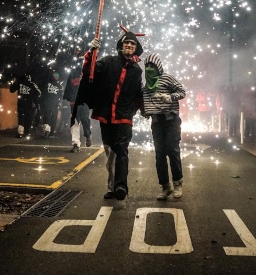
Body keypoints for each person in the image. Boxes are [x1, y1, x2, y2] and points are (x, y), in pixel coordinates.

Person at [74, 27, 144, 201]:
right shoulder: (108, 62)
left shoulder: (137, 71)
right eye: (126, 43)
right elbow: (89, 72)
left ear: (136, 48)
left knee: (121, 150)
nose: (129, 45)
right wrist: (91, 52)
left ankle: (121, 186)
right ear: (121, 45)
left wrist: (138, 110)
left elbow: (137, 94)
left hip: (124, 117)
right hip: (105, 114)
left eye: (132, 43)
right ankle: (112, 187)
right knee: (110, 152)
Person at [141, 53, 186, 200]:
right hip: (156, 122)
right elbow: (143, 100)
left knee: (173, 150)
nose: (149, 68)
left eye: (152, 66)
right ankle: (165, 186)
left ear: (158, 66)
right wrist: (145, 111)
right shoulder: (146, 84)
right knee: (160, 154)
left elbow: (182, 92)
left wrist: (170, 97)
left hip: (171, 120)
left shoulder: (167, 78)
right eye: (147, 66)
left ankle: (178, 183)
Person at [63, 65, 92, 152]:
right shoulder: (73, 73)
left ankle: (87, 134)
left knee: (84, 119)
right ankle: (76, 143)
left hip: (84, 100)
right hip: (74, 101)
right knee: (75, 121)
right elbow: (69, 86)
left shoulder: (90, 72)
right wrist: (69, 99)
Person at [9, 73, 42, 138]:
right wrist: (35, 101)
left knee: (21, 118)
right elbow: (38, 93)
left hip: (21, 103)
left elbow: (12, 90)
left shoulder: (19, 84)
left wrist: (13, 83)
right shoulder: (32, 84)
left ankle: (20, 132)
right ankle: (26, 132)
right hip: (30, 104)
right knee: (28, 118)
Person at [39, 68, 64, 138]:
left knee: (46, 116)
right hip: (55, 104)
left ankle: (47, 130)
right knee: (53, 118)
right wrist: (60, 103)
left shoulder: (46, 84)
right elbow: (61, 96)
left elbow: (42, 93)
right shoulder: (59, 86)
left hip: (46, 103)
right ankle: (51, 133)